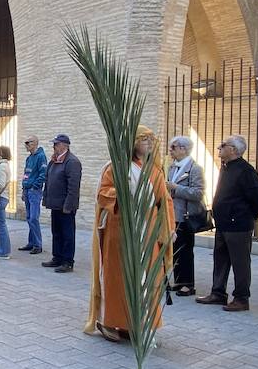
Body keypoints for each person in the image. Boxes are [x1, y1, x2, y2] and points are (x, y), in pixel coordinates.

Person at [86, 128, 173, 341]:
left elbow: (165, 202)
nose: (149, 143)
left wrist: (169, 229)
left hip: (148, 233)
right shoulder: (116, 167)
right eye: (144, 139)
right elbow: (103, 194)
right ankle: (111, 322)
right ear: (132, 143)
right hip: (120, 232)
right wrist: (125, 193)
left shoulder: (155, 170)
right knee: (118, 279)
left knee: (146, 279)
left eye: (151, 139)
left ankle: (138, 323)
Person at [196, 134, 258, 311]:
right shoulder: (226, 168)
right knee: (220, 260)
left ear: (233, 150)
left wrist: (247, 216)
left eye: (223, 145)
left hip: (238, 226)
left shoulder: (245, 171)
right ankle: (218, 293)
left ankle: (241, 298)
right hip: (223, 224)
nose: (219, 148)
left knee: (240, 262)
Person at [166, 135, 205, 296]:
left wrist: (176, 188)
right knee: (175, 249)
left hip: (186, 215)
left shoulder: (195, 168)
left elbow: (198, 193)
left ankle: (188, 284)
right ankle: (179, 281)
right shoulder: (172, 167)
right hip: (172, 214)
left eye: (173, 148)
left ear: (183, 149)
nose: (170, 151)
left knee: (186, 250)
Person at [42, 134, 82, 273]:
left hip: (65, 206)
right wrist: (46, 198)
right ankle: (57, 257)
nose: (54, 147)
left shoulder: (72, 162)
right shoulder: (54, 161)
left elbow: (73, 187)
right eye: (54, 144)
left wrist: (68, 206)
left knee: (67, 234)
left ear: (64, 145)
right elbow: (48, 180)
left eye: (56, 144)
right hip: (55, 204)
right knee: (56, 232)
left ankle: (67, 261)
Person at [20, 136, 47, 255]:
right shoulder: (29, 158)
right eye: (25, 143)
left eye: (28, 142)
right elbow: (26, 174)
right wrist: (23, 189)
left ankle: (38, 244)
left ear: (35, 143)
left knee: (33, 218)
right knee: (29, 217)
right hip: (27, 190)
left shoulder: (41, 157)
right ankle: (31, 243)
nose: (26, 145)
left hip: (34, 191)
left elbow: (43, 174)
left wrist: (35, 186)